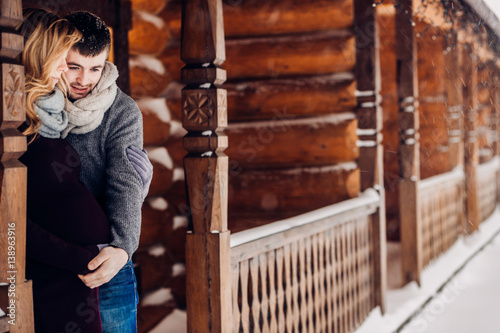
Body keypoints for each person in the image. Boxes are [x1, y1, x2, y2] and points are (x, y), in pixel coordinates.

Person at [18, 9, 107, 332]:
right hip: (52, 276)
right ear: (38, 56)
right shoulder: (14, 128)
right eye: (64, 61)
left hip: (75, 275)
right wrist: (77, 257)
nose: (65, 72)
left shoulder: (49, 119)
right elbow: (14, 221)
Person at [61, 11, 147, 332]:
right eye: (74, 67)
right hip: (51, 254)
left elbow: (125, 184)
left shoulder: (121, 111)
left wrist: (123, 248)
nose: (85, 79)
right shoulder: (39, 105)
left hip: (105, 255)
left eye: (95, 68)